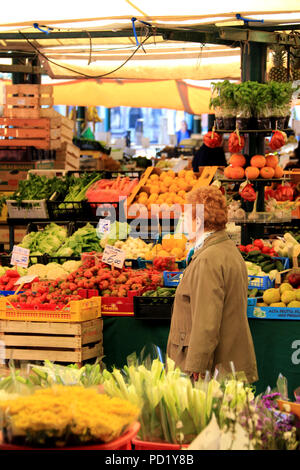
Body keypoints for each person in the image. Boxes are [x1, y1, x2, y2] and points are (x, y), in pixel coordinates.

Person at [167, 186, 258, 383]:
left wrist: (196, 366)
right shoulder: (227, 250)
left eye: (185, 217)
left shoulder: (207, 259)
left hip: (212, 373)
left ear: (198, 221)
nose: (181, 222)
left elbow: (206, 321)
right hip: (228, 364)